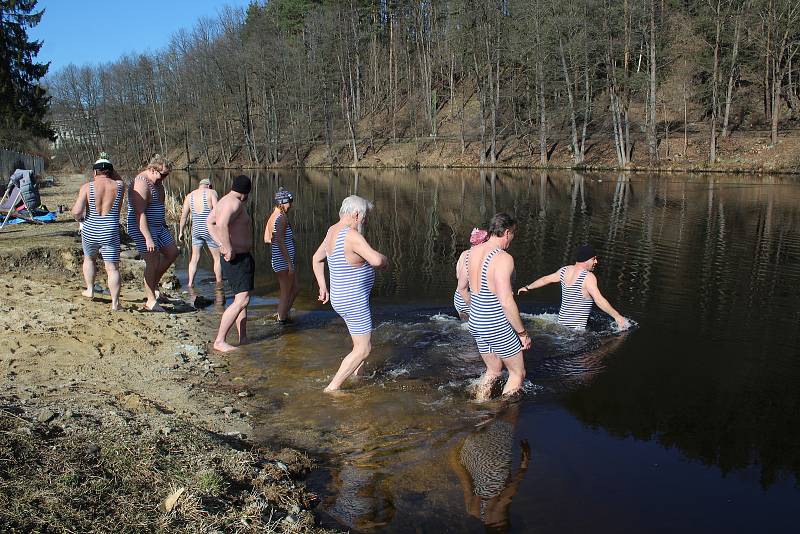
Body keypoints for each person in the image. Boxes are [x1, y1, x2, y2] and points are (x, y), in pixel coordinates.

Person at [311, 195, 388, 392]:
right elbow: (376, 261)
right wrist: (384, 258)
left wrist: (322, 286)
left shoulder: (332, 231)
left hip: (341, 297)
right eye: (365, 216)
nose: (365, 220)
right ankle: (333, 388)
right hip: (353, 300)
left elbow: (316, 258)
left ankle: (357, 376)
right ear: (355, 214)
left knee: (359, 343)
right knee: (364, 348)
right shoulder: (351, 236)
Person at [457, 213, 530, 400]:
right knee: (517, 374)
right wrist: (522, 334)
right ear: (506, 232)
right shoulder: (503, 258)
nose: (512, 239)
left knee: (493, 370)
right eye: (513, 234)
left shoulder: (471, 253)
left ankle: (479, 407)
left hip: (476, 322)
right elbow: (506, 301)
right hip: (496, 324)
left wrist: (478, 311)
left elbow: (462, 289)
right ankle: (504, 417)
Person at [449, 403, 530, 531]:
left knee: (513, 404)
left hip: (493, 455)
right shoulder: (472, 511)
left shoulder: (499, 514)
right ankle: (474, 396)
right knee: (481, 415)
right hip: (471, 452)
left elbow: (510, 491)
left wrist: (525, 464)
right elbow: (465, 480)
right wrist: (456, 457)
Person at [517, 244, 629, 331]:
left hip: (559, 325)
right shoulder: (588, 277)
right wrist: (617, 316)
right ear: (586, 259)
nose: (596, 262)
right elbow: (599, 300)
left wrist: (527, 287)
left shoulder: (564, 271)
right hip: (575, 332)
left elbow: (546, 279)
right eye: (594, 258)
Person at [71, 156, 125, 311]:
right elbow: (118, 178)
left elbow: (76, 211)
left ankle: (90, 290)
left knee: (89, 259)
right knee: (112, 268)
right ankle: (115, 303)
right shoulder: (119, 186)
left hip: (90, 229)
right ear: (111, 171)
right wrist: (112, 172)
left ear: (95, 171)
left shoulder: (87, 187)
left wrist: (79, 218)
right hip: (110, 230)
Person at [208, 175, 254, 353]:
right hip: (237, 259)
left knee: (241, 299)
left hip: (240, 257)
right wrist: (227, 248)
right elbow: (222, 225)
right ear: (246, 193)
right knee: (242, 300)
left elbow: (209, 223)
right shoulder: (234, 203)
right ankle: (220, 340)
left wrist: (220, 245)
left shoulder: (223, 201)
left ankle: (243, 337)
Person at [126, 154, 178, 312]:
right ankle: (150, 301)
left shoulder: (158, 182)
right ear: (152, 169)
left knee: (172, 253)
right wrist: (148, 238)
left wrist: (164, 225)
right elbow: (139, 214)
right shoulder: (141, 184)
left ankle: (154, 286)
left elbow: (159, 205)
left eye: (167, 175)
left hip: (159, 226)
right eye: (163, 174)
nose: (165, 178)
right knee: (152, 260)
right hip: (142, 228)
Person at [264, 186, 299, 323]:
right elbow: (278, 239)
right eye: (290, 202)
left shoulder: (273, 216)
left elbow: (267, 238)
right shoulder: (281, 218)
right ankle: (281, 320)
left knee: (295, 288)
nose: (291, 205)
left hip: (280, 259)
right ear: (283, 202)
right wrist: (289, 262)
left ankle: (283, 313)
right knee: (286, 292)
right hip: (283, 261)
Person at [178, 178, 221, 287]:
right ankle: (219, 284)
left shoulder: (189, 196)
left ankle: (190, 283)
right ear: (209, 186)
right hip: (209, 229)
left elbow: (183, 217)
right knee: (217, 258)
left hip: (196, 230)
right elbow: (217, 212)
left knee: (194, 257)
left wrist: (181, 232)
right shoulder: (212, 193)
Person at [454, 227, 489, 320]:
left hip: (458, 297)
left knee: (464, 326)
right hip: (470, 297)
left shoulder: (464, 254)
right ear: (483, 242)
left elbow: (458, 276)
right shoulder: (479, 257)